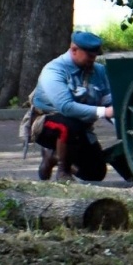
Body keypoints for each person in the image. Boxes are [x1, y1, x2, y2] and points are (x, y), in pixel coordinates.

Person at [31, 31, 115, 182]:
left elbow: (108, 102)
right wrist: (104, 112)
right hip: (48, 123)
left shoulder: (99, 71)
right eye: (89, 55)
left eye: (95, 56)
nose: (93, 59)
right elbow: (66, 107)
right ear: (74, 49)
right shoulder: (54, 70)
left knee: (95, 173)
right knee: (69, 124)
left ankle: (54, 157)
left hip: (81, 126)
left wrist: (119, 120)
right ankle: (63, 171)